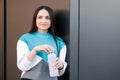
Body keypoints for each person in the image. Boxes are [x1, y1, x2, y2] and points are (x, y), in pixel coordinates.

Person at [17, 6, 67, 80]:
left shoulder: (59, 42)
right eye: (40, 17)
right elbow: (23, 67)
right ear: (35, 20)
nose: (43, 21)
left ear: (52, 21)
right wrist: (35, 50)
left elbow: (60, 72)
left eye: (47, 18)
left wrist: (61, 66)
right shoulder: (25, 39)